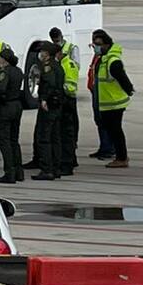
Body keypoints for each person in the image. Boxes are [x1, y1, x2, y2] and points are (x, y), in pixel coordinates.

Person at [92, 29, 134, 168]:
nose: (96, 47)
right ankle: (121, 156)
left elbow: (123, 79)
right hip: (108, 102)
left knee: (116, 131)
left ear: (107, 44)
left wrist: (129, 90)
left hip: (114, 103)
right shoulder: (104, 59)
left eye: (98, 44)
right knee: (113, 130)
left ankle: (121, 157)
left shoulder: (112, 61)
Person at [0, 48, 25, 183]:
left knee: (4, 141)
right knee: (14, 140)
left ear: (4, 60)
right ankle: (19, 171)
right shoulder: (18, 71)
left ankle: (9, 173)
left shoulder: (4, 72)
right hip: (17, 105)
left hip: (6, 107)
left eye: (0, 57)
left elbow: (1, 89)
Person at [32, 43, 65, 181]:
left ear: (47, 54)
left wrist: (44, 99)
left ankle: (47, 169)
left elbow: (49, 83)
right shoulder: (58, 66)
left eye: (43, 52)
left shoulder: (48, 67)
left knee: (44, 137)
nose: (41, 54)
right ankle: (56, 168)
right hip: (57, 105)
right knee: (55, 137)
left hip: (49, 106)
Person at [52, 29, 80, 176]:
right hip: (65, 98)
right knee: (65, 133)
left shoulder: (68, 61)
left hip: (67, 99)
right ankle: (69, 159)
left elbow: (70, 83)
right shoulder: (60, 63)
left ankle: (68, 162)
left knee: (68, 132)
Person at [86, 37, 116, 162]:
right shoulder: (98, 57)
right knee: (99, 121)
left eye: (97, 45)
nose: (94, 47)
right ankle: (104, 147)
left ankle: (109, 149)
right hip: (96, 92)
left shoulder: (108, 59)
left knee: (106, 123)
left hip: (105, 96)